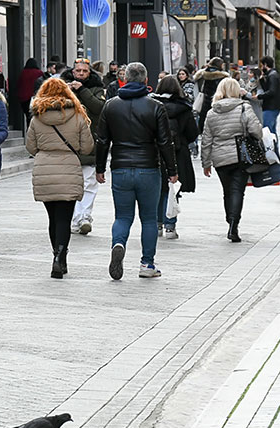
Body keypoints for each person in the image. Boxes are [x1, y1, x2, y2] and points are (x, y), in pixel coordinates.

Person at [96, 62, 177, 280]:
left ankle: (119, 243)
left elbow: (102, 140)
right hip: (148, 168)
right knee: (149, 218)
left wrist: (99, 168)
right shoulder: (155, 107)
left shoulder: (111, 105)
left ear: (125, 78)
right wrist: (172, 169)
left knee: (122, 216)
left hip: (121, 168)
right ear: (146, 80)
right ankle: (147, 264)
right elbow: (165, 142)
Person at [27, 77, 95, 279]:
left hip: (45, 169)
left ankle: (56, 256)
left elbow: (30, 147)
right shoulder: (77, 116)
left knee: (52, 218)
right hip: (69, 168)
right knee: (65, 218)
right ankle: (61, 257)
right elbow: (87, 147)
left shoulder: (37, 118)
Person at [200, 78, 262, 243]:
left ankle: (230, 219)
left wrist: (206, 163)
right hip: (240, 156)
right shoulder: (244, 108)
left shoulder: (212, 112)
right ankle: (233, 224)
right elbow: (256, 130)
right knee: (237, 191)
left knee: (227, 191)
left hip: (220, 159)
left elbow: (206, 140)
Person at [60, 58, 105, 235]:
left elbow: (99, 108)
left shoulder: (96, 88)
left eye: (84, 71)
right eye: (78, 71)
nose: (80, 74)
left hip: (89, 143)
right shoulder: (62, 87)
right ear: (73, 72)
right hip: (66, 144)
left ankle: (85, 217)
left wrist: (83, 91)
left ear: (89, 73)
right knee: (70, 185)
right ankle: (74, 218)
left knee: (89, 184)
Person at [153, 75, 199, 239]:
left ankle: (157, 225)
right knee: (172, 189)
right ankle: (170, 226)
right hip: (177, 153)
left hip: (155, 152)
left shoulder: (152, 105)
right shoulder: (184, 108)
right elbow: (193, 133)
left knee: (158, 190)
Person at [194, 57, 230, 134]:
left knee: (204, 121)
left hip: (204, 101)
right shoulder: (223, 76)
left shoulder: (202, 74)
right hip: (219, 101)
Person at [257, 56, 280, 135]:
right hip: (273, 105)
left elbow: (271, 91)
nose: (261, 68)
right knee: (271, 130)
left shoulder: (272, 76)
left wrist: (260, 96)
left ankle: (271, 146)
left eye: (262, 65)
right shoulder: (273, 74)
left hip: (271, 106)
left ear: (265, 65)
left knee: (267, 129)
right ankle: (274, 146)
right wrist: (262, 80)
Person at [17, 58, 45, 129]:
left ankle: (29, 129)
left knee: (27, 115)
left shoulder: (23, 72)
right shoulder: (39, 73)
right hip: (35, 97)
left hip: (23, 98)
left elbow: (19, 84)